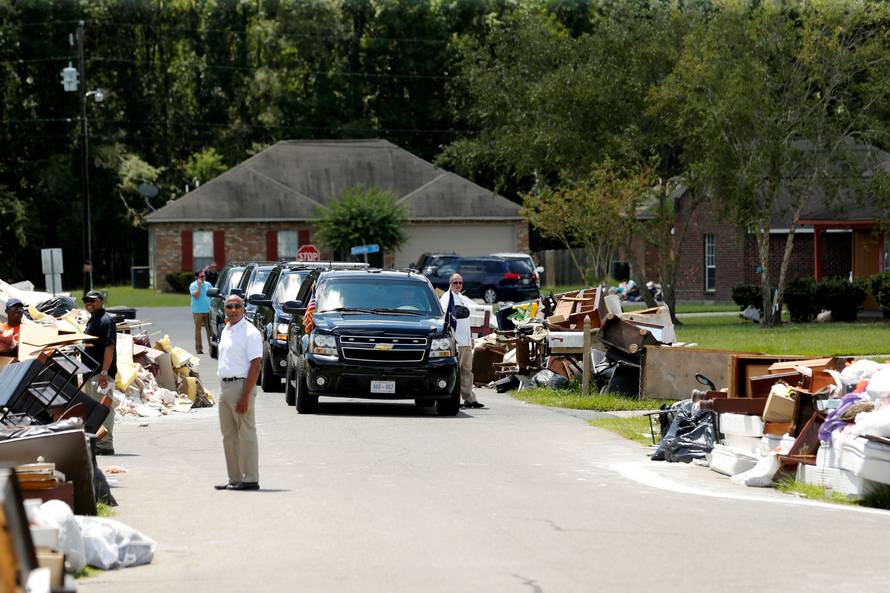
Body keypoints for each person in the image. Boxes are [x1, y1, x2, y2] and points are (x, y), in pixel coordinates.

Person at [214, 294, 263, 491]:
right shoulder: (227, 329)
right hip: (224, 387)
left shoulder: (250, 332)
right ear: (224, 308)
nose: (233, 310)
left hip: (241, 386)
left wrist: (245, 395)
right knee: (229, 435)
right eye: (229, 306)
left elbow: (256, 365)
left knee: (246, 434)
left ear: (244, 309)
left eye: (237, 306)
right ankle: (234, 478)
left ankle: (250, 478)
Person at [439, 273, 484, 409]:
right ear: (450, 284)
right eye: (455, 283)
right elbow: (446, 319)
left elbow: (465, 321)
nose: (458, 285)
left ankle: (469, 398)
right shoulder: (447, 298)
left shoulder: (462, 298)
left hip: (466, 341)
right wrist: (452, 340)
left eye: (460, 283)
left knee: (467, 371)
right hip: (456, 342)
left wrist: (470, 338)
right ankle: (453, 398)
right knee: (455, 372)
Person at [82, 290, 118, 455]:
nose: (88, 303)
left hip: (101, 374)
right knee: (95, 409)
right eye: (86, 300)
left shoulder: (105, 321)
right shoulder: (94, 319)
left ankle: (105, 444)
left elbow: (109, 347)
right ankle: (98, 442)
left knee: (103, 409)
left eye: (92, 300)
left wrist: (104, 372)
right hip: (91, 373)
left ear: (101, 301)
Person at [189, 270, 213, 354]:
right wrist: (199, 286)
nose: (203, 278)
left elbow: (212, 295)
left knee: (210, 330)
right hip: (197, 311)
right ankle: (199, 349)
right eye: (201, 276)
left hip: (208, 310)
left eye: (204, 276)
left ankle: (211, 348)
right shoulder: (193, 285)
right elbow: (196, 295)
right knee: (198, 330)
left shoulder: (208, 284)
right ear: (197, 278)